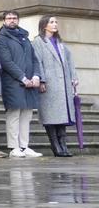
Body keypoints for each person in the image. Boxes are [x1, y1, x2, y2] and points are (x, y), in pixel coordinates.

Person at [0, 11, 43, 158]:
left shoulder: (25, 38)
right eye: (9, 18)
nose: (12, 20)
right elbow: (6, 62)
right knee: (14, 114)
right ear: (4, 21)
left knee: (27, 115)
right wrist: (23, 78)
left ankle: (24, 146)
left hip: (30, 82)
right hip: (12, 82)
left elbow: (34, 59)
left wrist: (36, 76)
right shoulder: (1, 39)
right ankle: (14, 147)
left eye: (14, 18)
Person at [31, 16, 80, 158]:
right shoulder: (38, 42)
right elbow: (37, 61)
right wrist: (41, 80)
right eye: (51, 22)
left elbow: (70, 61)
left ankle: (63, 145)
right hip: (49, 84)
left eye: (56, 22)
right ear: (44, 25)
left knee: (62, 116)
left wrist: (74, 77)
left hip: (63, 85)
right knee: (50, 116)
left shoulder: (60, 42)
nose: (55, 24)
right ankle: (56, 146)